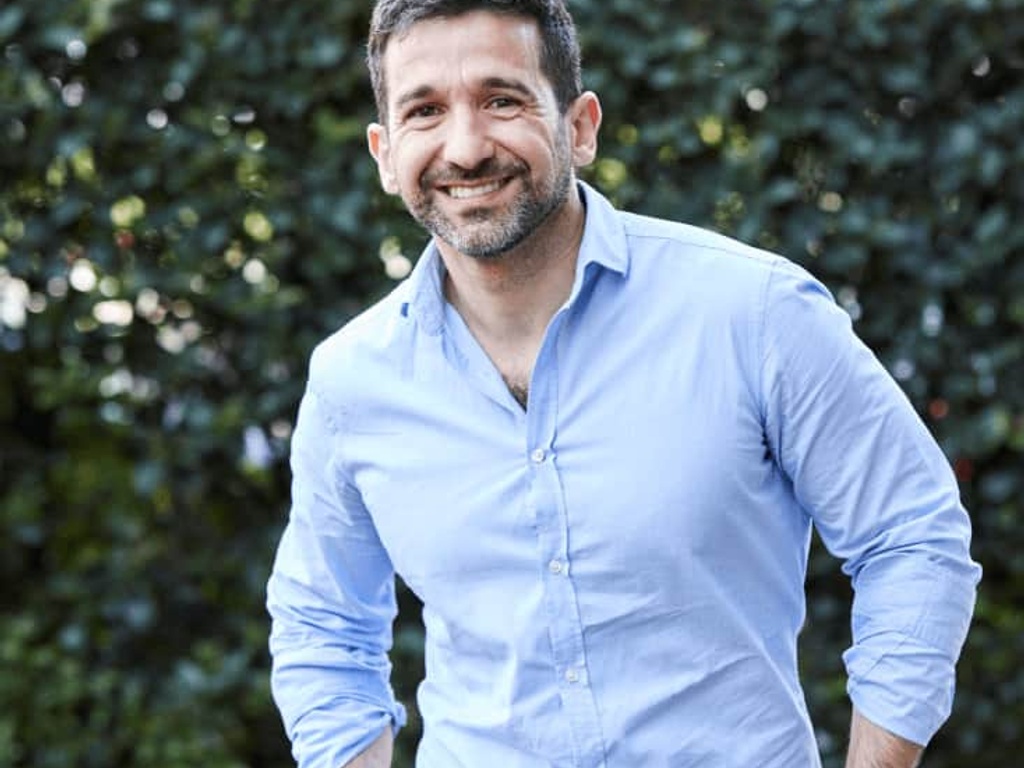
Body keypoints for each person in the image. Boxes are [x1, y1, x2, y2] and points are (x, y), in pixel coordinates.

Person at [266, 1, 982, 766]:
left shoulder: (753, 313)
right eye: (425, 111)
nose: (466, 147)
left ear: (580, 125)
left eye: (502, 100)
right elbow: (323, 627)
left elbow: (912, 537)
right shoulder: (354, 380)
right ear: (384, 152)